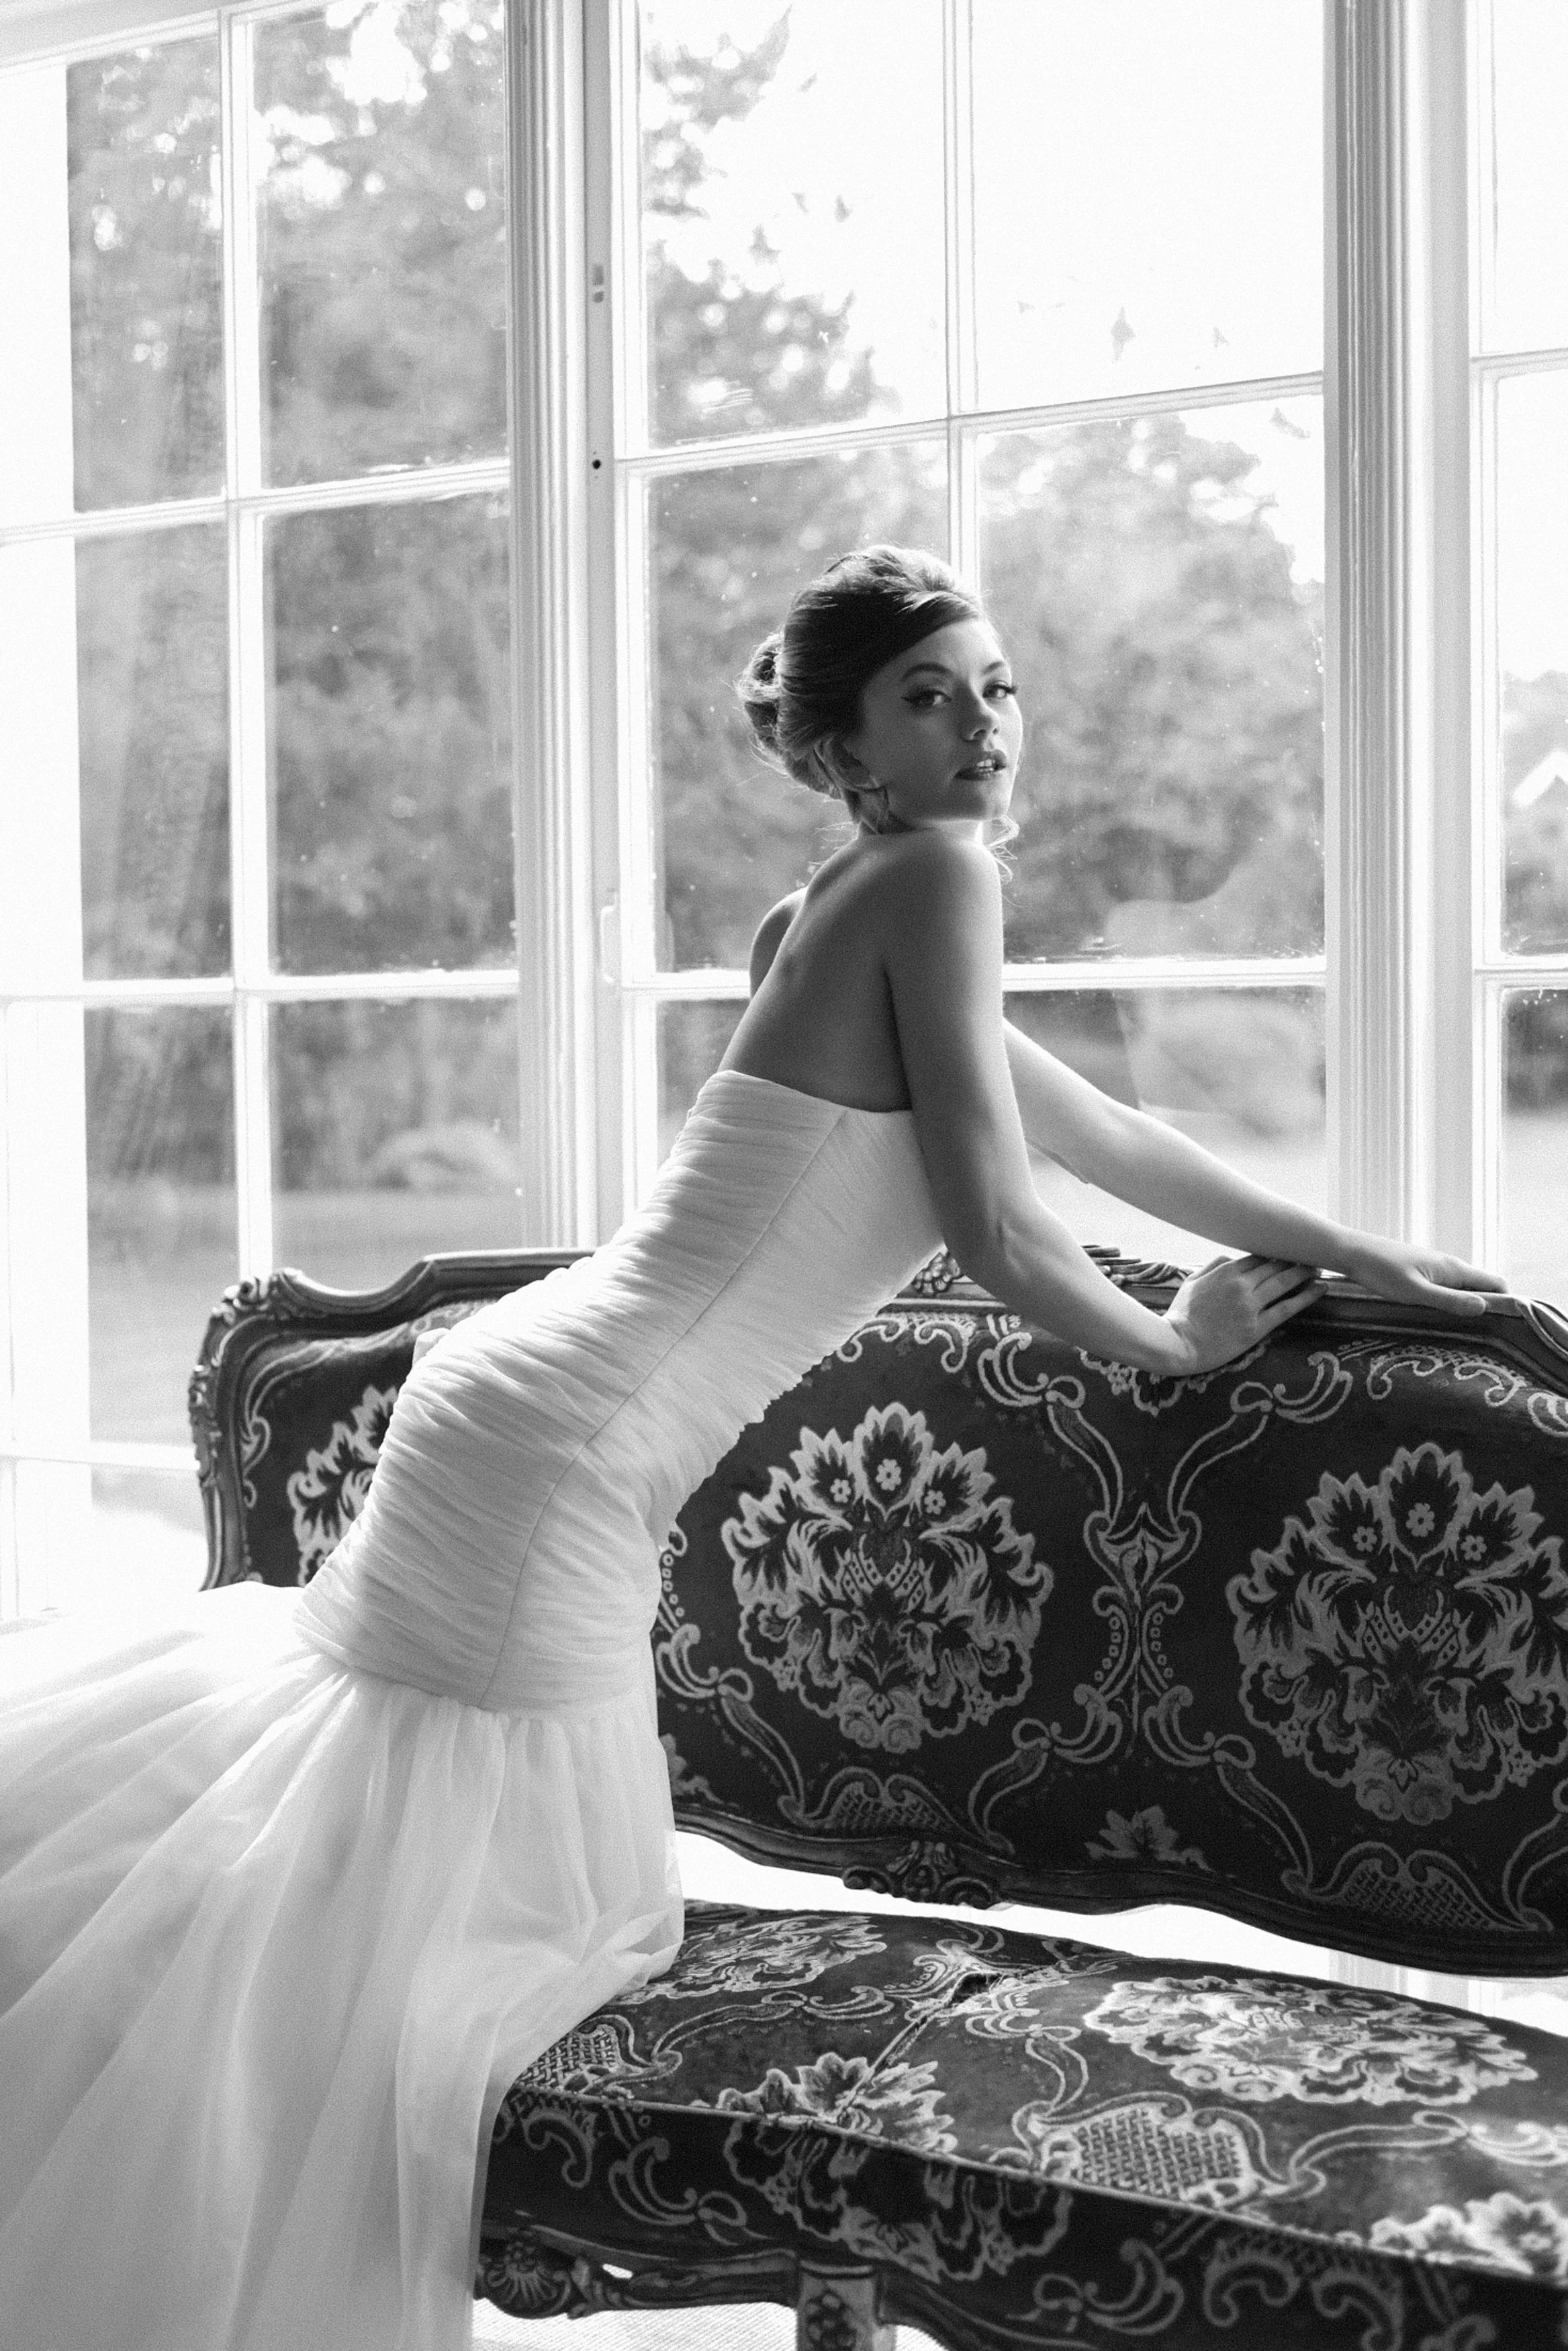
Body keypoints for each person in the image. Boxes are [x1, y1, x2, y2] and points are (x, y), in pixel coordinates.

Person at [0, 545, 1504, 2351]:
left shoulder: (846, 903)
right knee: (432, 1929)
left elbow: (1097, 1124)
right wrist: (1173, 1343)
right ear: (844, 744)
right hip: (558, 1453)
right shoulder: (925, 880)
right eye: (930, 695)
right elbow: (1008, 1228)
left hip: (521, 1408)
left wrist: (1348, 1246)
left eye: (995, 685)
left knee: (377, 1866)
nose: (981, 726)